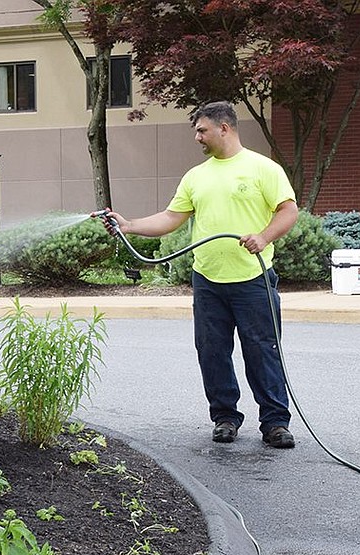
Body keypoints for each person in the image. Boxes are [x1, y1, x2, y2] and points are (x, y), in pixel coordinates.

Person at [95, 100, 299, 449]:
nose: (197, 137)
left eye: (202, 130)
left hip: (253, 279)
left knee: (261, 350)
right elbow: (170, 218)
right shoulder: (196, 176)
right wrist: (130, 226)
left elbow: (289, 211)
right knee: (212, 350)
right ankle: (225, 418)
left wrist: (263, 236)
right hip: (208, 281)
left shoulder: (263, 169)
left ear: (224, 128)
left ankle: (275, 422)